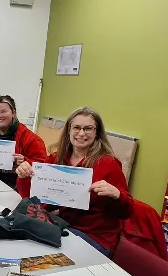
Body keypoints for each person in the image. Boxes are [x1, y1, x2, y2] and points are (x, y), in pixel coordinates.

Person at [16, 107, 134, 255]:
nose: (82, 133)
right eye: (76, 128)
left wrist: (117, 195)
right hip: (62, 226)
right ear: (69, 130)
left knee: (44, 257)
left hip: (95, 236)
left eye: (88, 128)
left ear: (97, 132)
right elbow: (36, 201)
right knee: (24, 246)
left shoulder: (108, 163)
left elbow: (127, 211)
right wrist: (23, 177)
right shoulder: (56, 159)